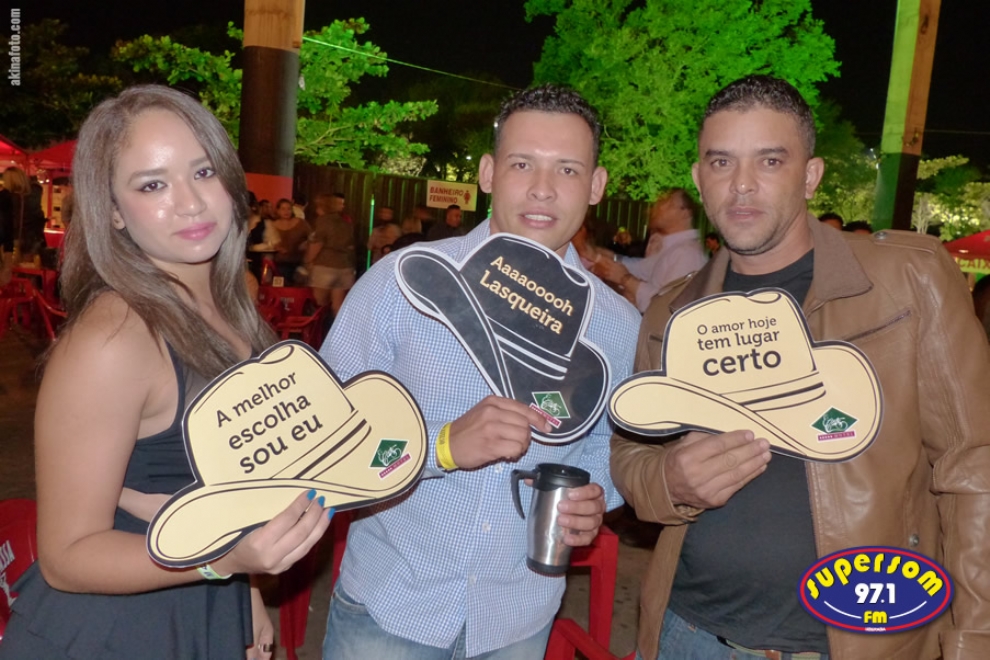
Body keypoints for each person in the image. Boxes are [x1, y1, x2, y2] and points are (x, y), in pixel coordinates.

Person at [611, 75, 990, 660]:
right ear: (698, 178)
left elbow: (973, 465)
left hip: (857, 640)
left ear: (810, 176)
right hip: (690, 634)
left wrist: (972, 640)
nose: (741, 184)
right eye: (721, 162)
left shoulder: (907, 281)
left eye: (769, 160)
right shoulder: (672, 310)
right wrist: (669, 482)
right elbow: (631, 452)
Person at [0, 85, 333, 660]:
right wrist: (224, 560)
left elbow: (232, 492)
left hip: (202, 606)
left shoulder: (233, 312)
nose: (191, 202)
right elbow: (66, 557)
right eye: (152, 184)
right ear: (112, 211)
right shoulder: (115, 336)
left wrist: (249, 594)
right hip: (112, 632)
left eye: (203, 172)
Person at [319, 84, 640, 659]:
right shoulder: (403, 284)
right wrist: (441, 447)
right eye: (522, 164)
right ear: (489, 173)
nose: (542, 188)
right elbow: (324, 439)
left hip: (519, 618)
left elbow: (609, 444)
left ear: (596, 186)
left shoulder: (616, 325)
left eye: (567, 169)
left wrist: (596, 494)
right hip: (392, 606)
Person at [591, 188, 708, 313]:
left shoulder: (687, 254)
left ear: (685, 214)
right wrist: (605, 257)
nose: (658, 207)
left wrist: (625, 279)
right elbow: (642, 269)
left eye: (668, 204)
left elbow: (668, 307)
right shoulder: (672, 248)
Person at [304, 192, 356, 316]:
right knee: (338, 307)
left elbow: (317, 244)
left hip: (325, 266)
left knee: (319, 305)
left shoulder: (323, 221)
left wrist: (308, 261)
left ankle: (319, 328)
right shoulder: (345, 223)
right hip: (345, 267)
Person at [272, 197, 311, 282]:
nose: (286, 211)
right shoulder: (273, 225)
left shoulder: (301, 223)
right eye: (283, 209)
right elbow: (269, 242)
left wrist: (306, 244)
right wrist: (276, 247)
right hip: (281, 262)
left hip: (299, 262)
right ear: (278, 211)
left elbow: (312, 237)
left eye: (289, 209)